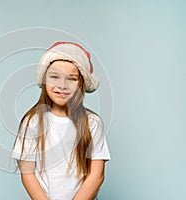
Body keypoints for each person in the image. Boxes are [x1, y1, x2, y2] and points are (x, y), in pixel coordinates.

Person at [12, 42, 110, 200]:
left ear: (81, 84)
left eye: (71, 79)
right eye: (54, 76)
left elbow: (96, 175)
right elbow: (28, 174)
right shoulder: (32, 122)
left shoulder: (92, 123)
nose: (62, 85)